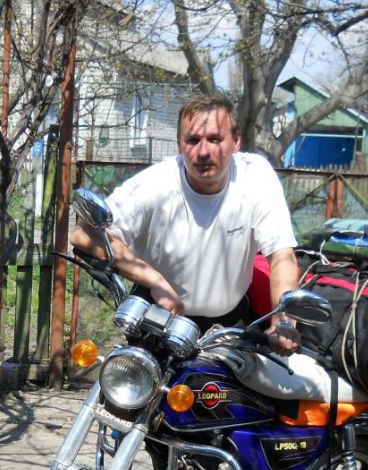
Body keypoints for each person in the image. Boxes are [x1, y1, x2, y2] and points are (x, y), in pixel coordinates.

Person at [71, 92, 301, 354]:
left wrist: (283, 322)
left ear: (236, 141)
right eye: (193, 140)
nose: (203, 151)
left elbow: (282, 255)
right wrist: (154, 280)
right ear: (179, 145)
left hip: (228, 327)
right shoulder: (155, 184)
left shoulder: (255, 175)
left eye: (215, 139)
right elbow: (84, 234)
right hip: (157, 319)